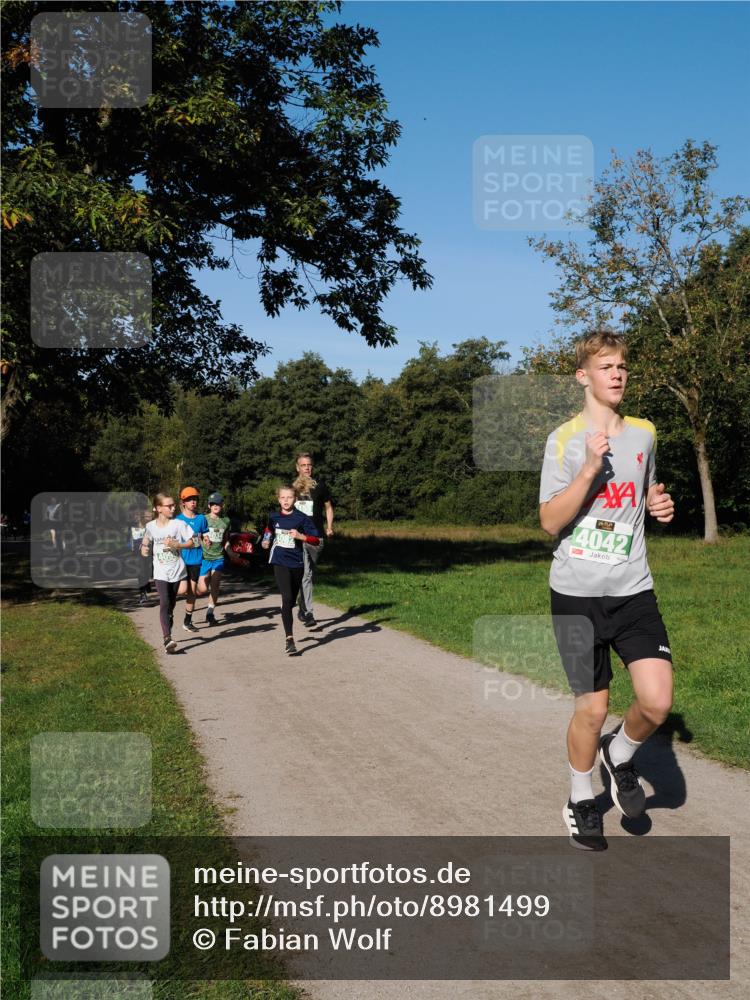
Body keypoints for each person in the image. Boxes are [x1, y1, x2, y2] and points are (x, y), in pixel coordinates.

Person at [539, 328, 675, 851]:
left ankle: (619, 754)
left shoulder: (644, 433)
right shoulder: (564, 439)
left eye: (621, 366)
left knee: (657, 702)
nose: (616, 374)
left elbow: (648, 495)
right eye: (605, 367)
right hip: (575, 594)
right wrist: (591, 469)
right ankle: (580, 798)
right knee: (591, 710)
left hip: (633, 588)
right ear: (583, 376)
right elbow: (550, 521)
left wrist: (661, 507)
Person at [262, 485, 320, 655]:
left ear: (295, 499)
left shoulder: (301, 518)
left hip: (297, 564)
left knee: (291, 600)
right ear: (278, 499)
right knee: (286, 598)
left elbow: (315, 539)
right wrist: (266, 541)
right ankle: (289, 639)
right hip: (279, 561)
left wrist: (301, 536)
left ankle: (294, 609)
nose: (286, 501)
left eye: (289, 497)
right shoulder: (273, 517)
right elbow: (269, 529)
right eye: (283, 497)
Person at [140, 493, 199, 653]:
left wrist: (178, 545)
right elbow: (146, 540)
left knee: (171, 604)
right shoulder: (151, 526)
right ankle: (167, 638)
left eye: (173, 505)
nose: (173, 508)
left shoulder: (178, 525)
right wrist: (144, 548)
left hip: (178, 571)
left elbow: (195, 541)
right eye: (169, 506)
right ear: (159, 508)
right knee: (164, 602)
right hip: (160, 572)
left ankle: (169, 617)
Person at [292, 453, 333, 626]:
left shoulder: (320, 486)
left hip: (316, 537)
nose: (307, 468)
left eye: (309, 465)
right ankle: (309, 613)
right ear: (297, 467)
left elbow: (329, 507)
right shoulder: (292, 489)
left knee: (309, 574)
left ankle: (302, 607)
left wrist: (329, 527)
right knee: (306, 574)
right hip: (298, 538)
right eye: (303, 465)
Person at [197, 492, 235, 624]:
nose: (215, 506)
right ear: (209, 505)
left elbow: (226, 540)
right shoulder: (203, 519)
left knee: (215, 585)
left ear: (222, 505)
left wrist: (231, 553)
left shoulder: (226, 521)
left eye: (218, 503)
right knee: (202, 589)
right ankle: (192, 590)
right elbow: (197, 536)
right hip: (204, 558)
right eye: (213, 504)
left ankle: (210, 613)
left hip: (218, 558)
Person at [175, 486, 209, 634]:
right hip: (182, 561)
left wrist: (207, 540)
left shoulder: (201, 519)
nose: (193, 502)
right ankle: (167, 592)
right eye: (189, 499)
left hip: (196, 560)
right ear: (183, 502)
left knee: (195, 591)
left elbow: (205, 535)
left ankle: (187, 622)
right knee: (183, 590)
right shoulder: (177, 520)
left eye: (194, 499)